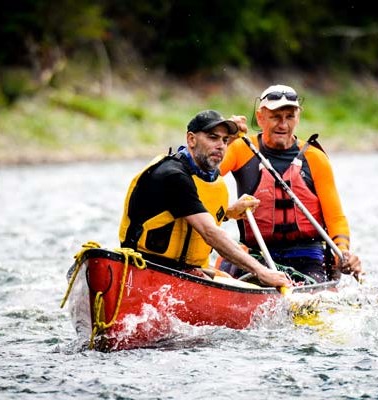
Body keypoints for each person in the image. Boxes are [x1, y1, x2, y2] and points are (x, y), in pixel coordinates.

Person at [118, 109, 291, 289]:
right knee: (254, 279)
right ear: (191, 139)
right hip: (147, 269)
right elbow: (209, 232)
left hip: (184, 271)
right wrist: (261, 271)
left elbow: (186, 211)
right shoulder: (173, 176)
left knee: (235, 281)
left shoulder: (203, 171)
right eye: (212, 137)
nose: (221, 146)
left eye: (225, 141)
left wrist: (228, 212)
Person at [219, 84, 363, 283]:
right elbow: (202, 177)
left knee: (312, 287)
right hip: (255, 254)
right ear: (260, 118)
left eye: (289, 117)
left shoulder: (315, 158)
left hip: (307, 255)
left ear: (298, 118)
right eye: (276, 117)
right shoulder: (240, 149)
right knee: (226, 273)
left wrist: (343, 254)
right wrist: (223, 139)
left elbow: (336, 218)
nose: (283, 125)